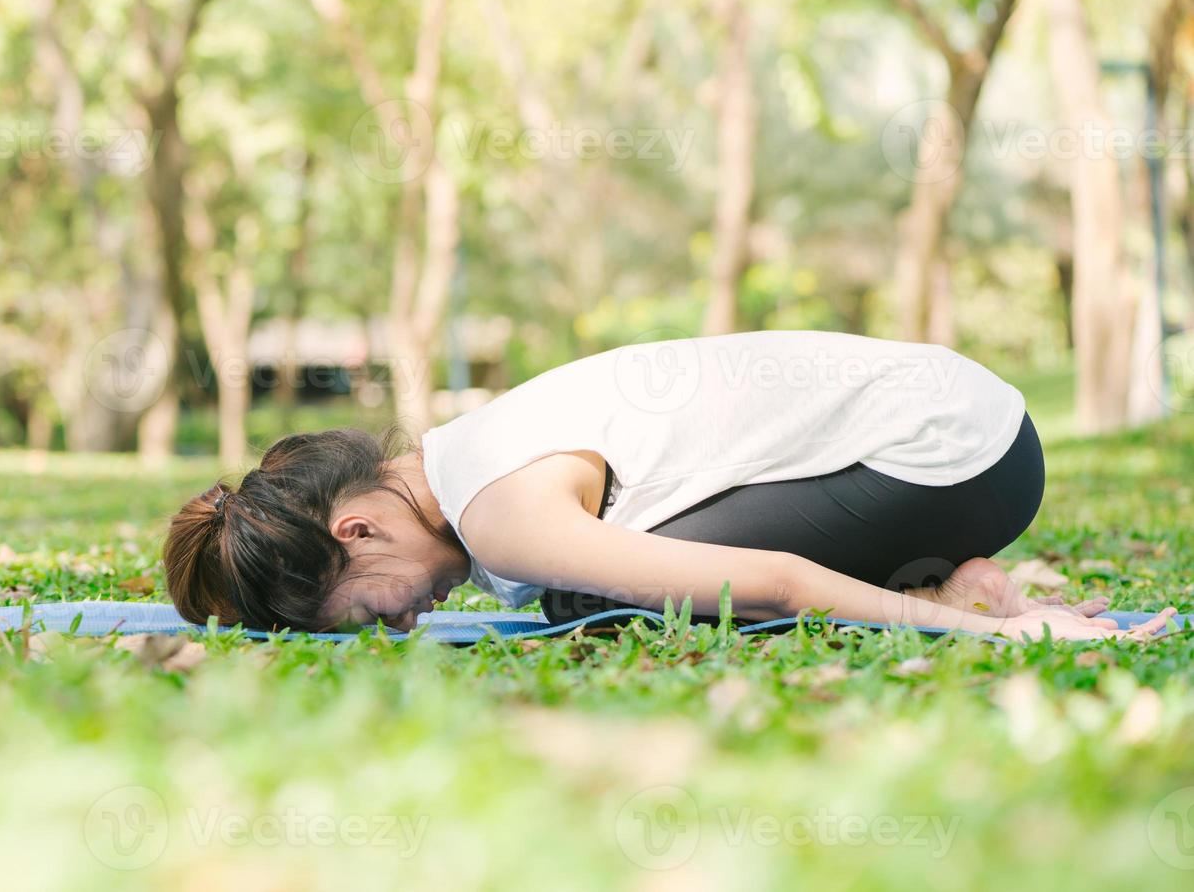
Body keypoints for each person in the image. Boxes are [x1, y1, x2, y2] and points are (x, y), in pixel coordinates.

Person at [162, 330, 1175, 642]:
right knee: (590, 591)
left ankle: (965, 604)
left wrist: (1004, 638)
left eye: (376, 611)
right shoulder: (466, 444)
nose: (406, 622)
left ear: (359, 525)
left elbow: (770, 575)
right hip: (974, 426)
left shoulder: (501, 516)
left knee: (607, 595)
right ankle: (941, 585)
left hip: (950, 457)